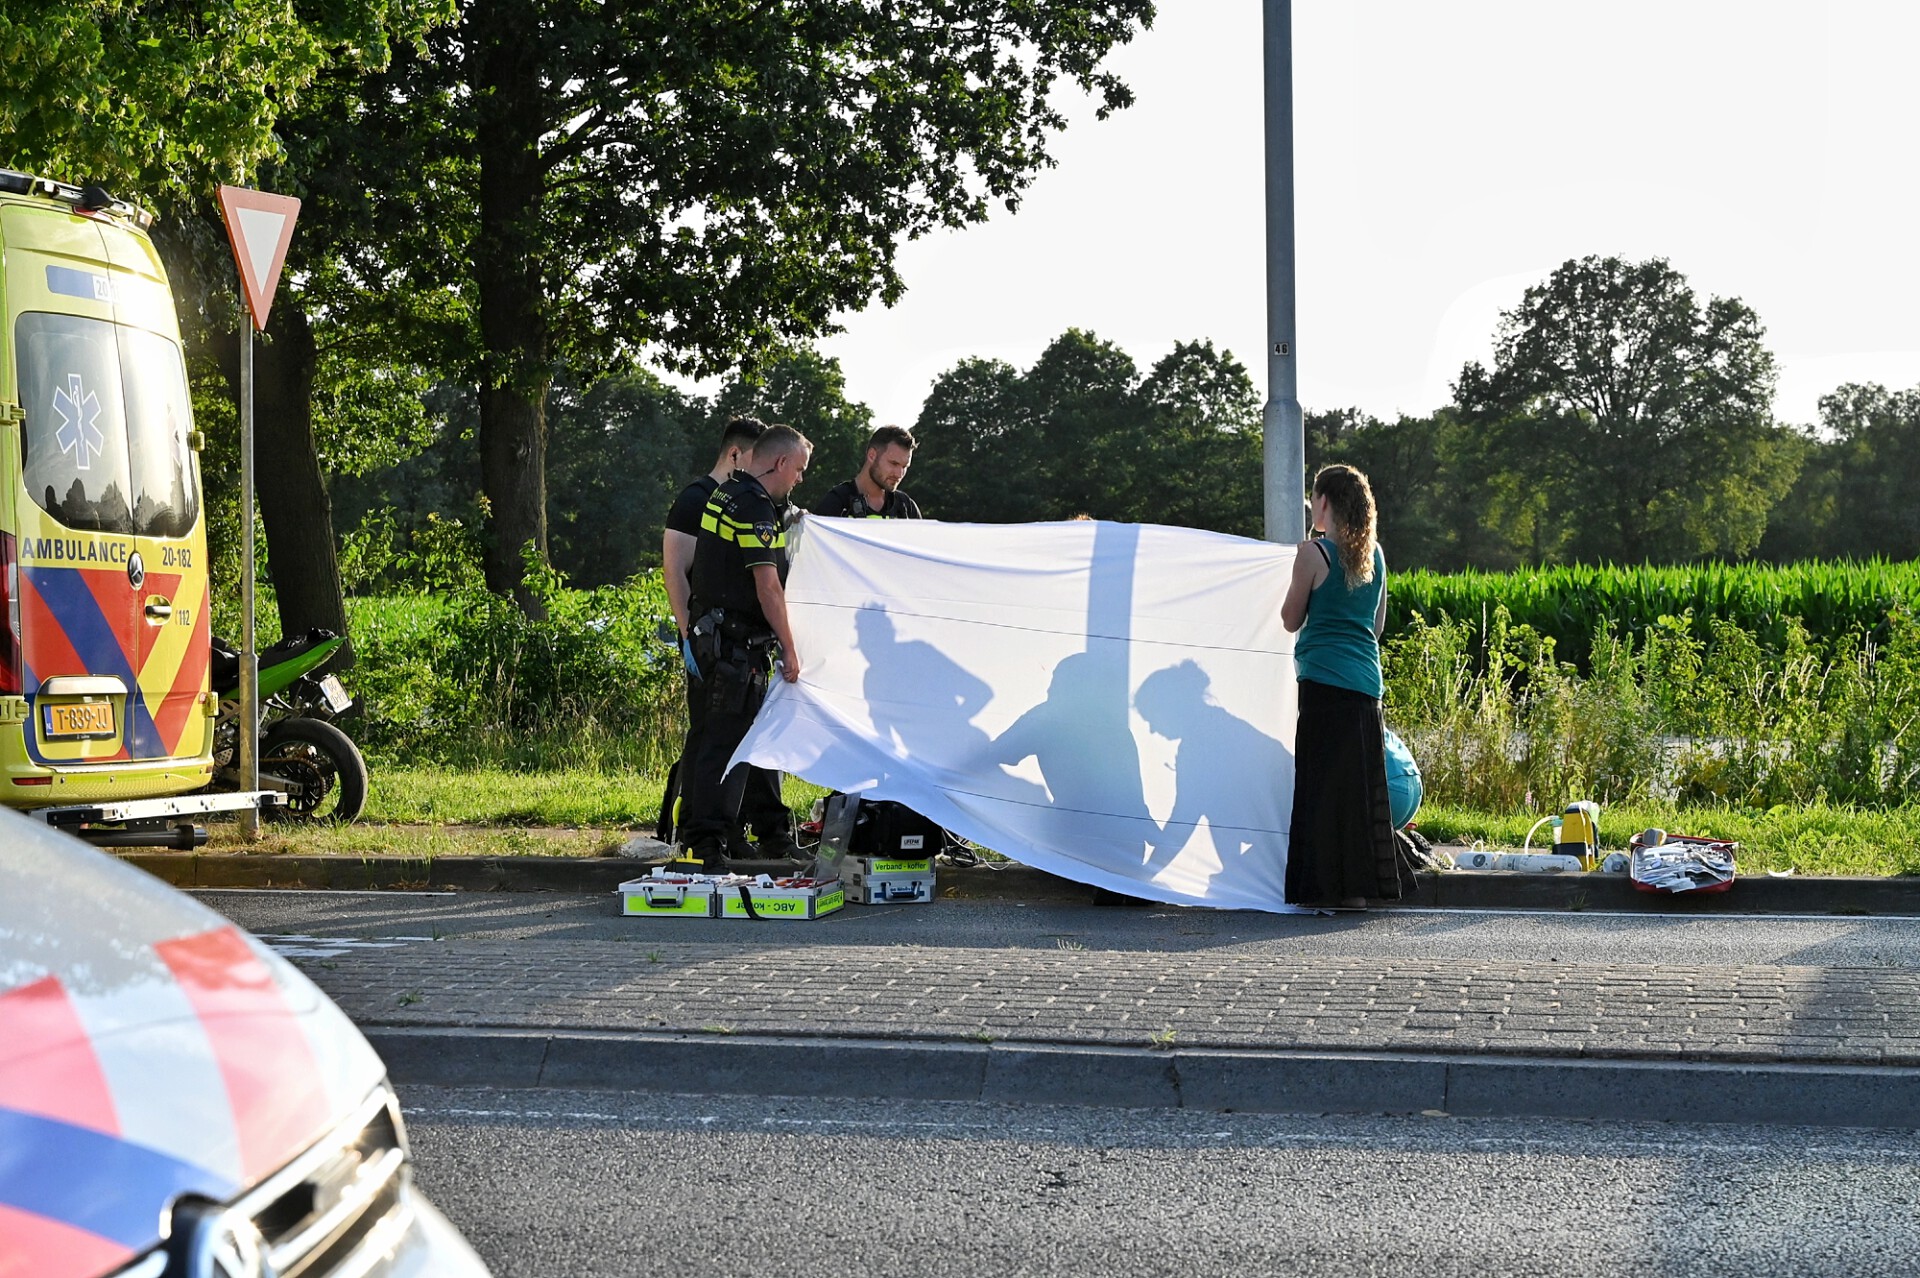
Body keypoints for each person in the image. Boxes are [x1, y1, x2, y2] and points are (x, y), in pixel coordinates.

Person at [675, 424, 814, 867]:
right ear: (780, 463)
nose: (799, 479)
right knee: (725, 745)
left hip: (719, 640)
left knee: (737, 742)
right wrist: (791, 648)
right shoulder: (753, 506)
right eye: (799, 470)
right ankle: (708, 844)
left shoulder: (728, 493)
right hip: (736, 647)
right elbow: (767, 585)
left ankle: (748, 836)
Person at [1279, 464, 1400, 909]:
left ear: (1325, 502)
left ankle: (1322, 888)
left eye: (1314, 498)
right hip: (1367, 685)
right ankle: (1359, 892)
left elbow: (1291, 619)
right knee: (1358, 793)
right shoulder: (1377, 556)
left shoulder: (1313, 554)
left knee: (1322, 789)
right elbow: (1377, 625)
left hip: (1324, 682)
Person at [659, 416, 780, 855]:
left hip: (740, 640)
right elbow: (676, 572)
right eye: (755, 459)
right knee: (709, 735)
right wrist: (688, 633)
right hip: (707, 637)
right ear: (736, 454)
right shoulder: (697, 500)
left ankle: (738, 827)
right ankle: (698, 827)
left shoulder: (745, 500)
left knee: (739, 736)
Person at [810, 425, 923, 519]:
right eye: (894, 463)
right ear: (872, 455)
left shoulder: (907, 508)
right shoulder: (836, 502)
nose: (899, 474)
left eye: (905, 466)